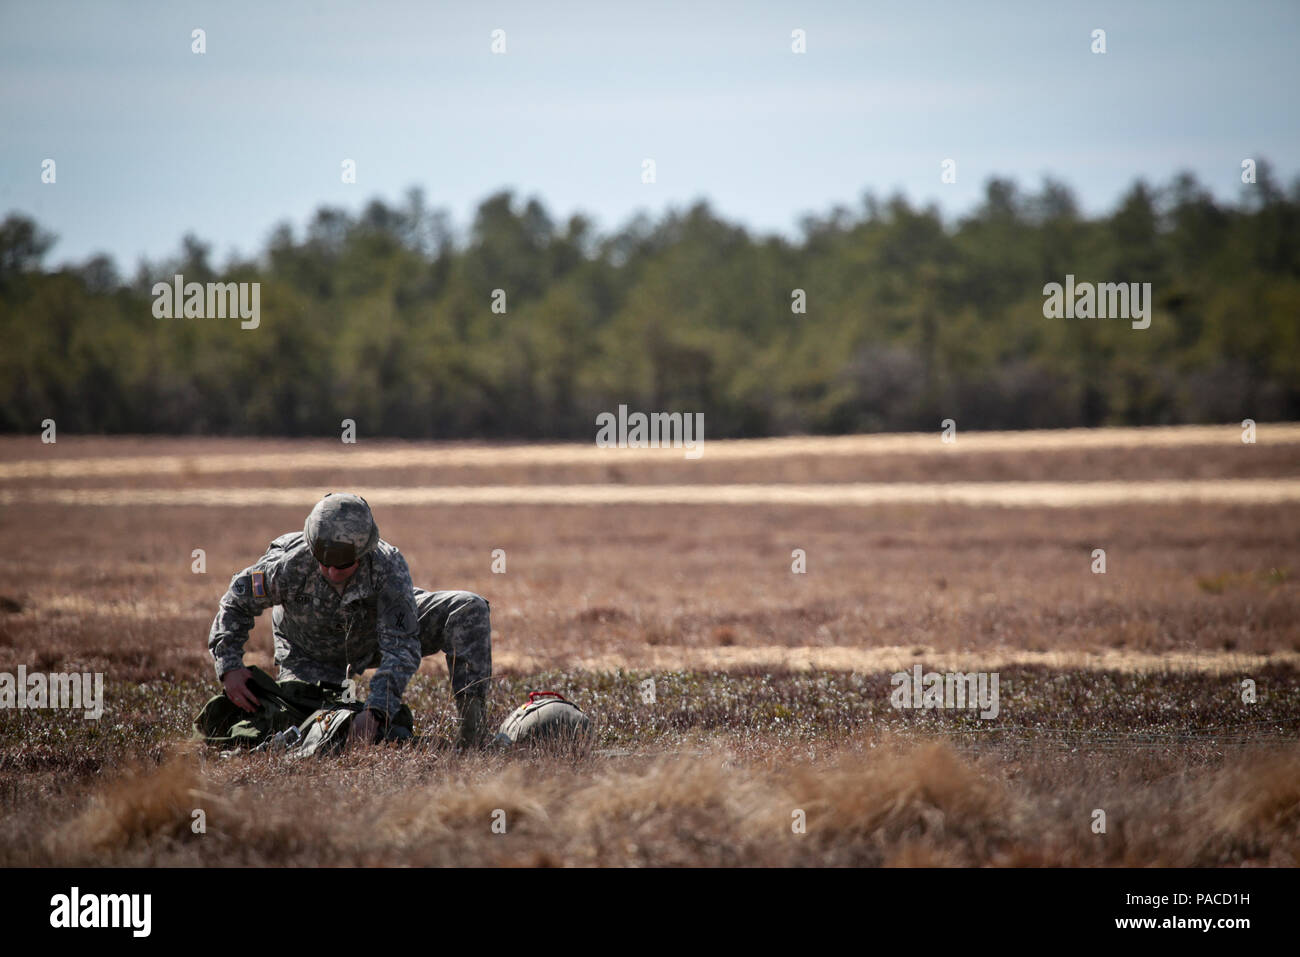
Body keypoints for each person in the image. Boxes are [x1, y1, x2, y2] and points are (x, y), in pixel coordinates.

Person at [207, 492, 491, 749]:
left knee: (468, 608)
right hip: (308, 653)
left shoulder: (387, 566)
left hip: (374, 635)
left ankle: (472, 736)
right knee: (312, 727)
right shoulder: (288, 565)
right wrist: (229, 666)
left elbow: (401, 646)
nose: (331, 570)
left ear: (364, 551)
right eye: (322, 559)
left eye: (343, 563)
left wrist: (377, 711)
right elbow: (236, 601)